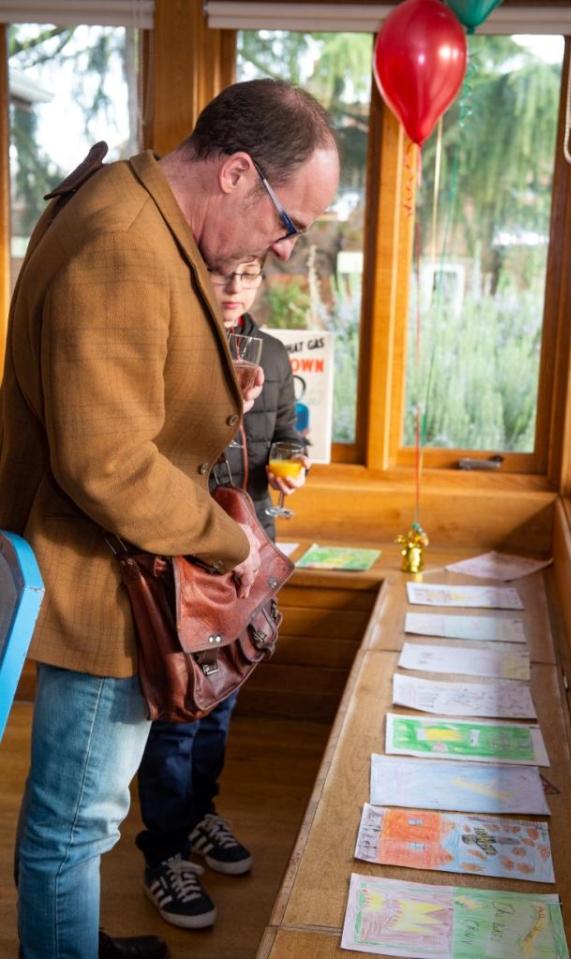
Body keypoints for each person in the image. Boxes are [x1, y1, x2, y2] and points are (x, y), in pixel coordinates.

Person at [0, 78, 339, 959]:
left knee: (83, 819)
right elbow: (106, 462)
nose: (284, 249)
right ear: (235, 172)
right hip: (102, 581)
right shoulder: (123, 240)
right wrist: (234, 543)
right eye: (288, 223)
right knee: (75, 826)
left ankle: (76, 939)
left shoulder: (143, 213)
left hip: (125, 566)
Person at [135, 256, 309, 929]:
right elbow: (153, 451)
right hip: (182, 553)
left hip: (249, 551)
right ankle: (164, 851)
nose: (235, 287)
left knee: (222, 702)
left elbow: (289, 437)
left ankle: (200, 815)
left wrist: (292, 464)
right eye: (222, 273)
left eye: (249, 275)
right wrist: (218, 405)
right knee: (179, 710)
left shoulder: (274, 353)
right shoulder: (174, 343)